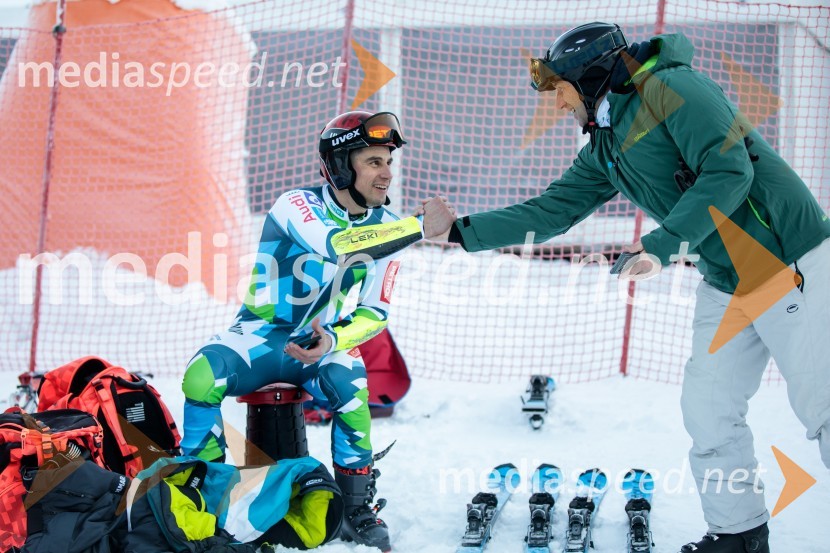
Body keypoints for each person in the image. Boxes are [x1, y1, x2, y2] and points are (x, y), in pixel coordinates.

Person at [430, 22, 830, 553]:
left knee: (822, 409)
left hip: (786, 259)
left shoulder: (675, 89)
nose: (556, 105)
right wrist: (460, 231)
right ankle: (739, 535)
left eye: (561, 90)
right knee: (708, 409)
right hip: (726, 279)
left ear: (591, 77)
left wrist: (661, 248)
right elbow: (553, 211)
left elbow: (730, 171)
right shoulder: (606, 144)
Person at [180, 110, 455, 552]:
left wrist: (336, 339)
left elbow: (376, 311)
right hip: (258, 336)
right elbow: (336, 243)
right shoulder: (296, 204)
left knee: (351, 383)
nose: (387, 174)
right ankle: (201, 501)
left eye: (389, 162)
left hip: (315, 342)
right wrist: (418, 227)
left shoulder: (388, 229)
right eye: (374, 162)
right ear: (342, 165)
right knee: (200, 375)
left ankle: (355, 508)